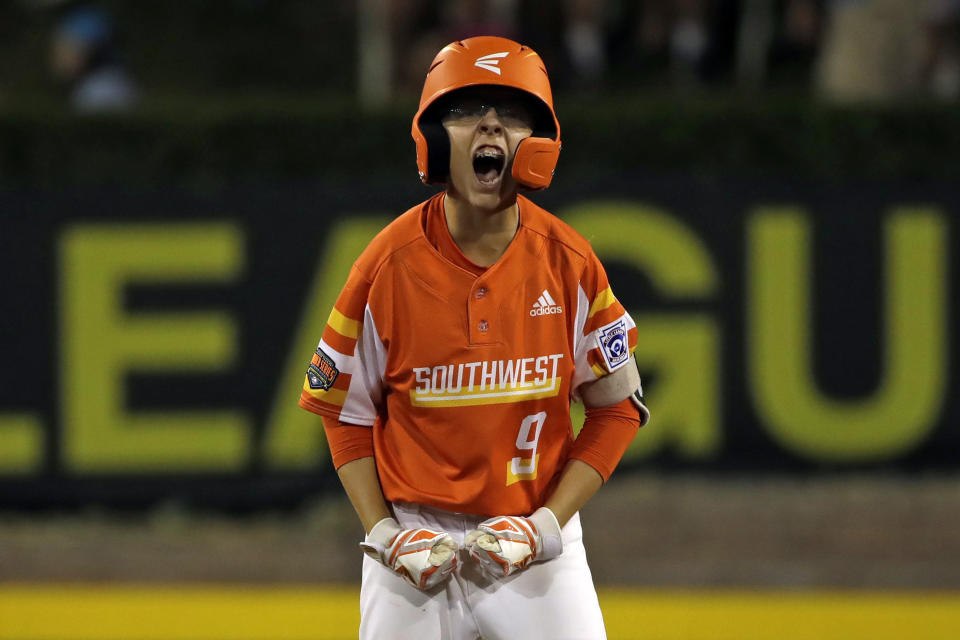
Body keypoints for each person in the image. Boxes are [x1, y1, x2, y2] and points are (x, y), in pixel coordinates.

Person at [298, 35, 649, 640]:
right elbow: (344, 415)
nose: (490, 124)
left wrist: (544, 527)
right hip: (413, 540)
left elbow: (617, 410)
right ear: (431, 141)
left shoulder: (570, 262)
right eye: (465, 110)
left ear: (540, 144)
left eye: (511, 111)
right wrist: (384, 532)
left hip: (535, 539)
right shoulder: (385, 266)